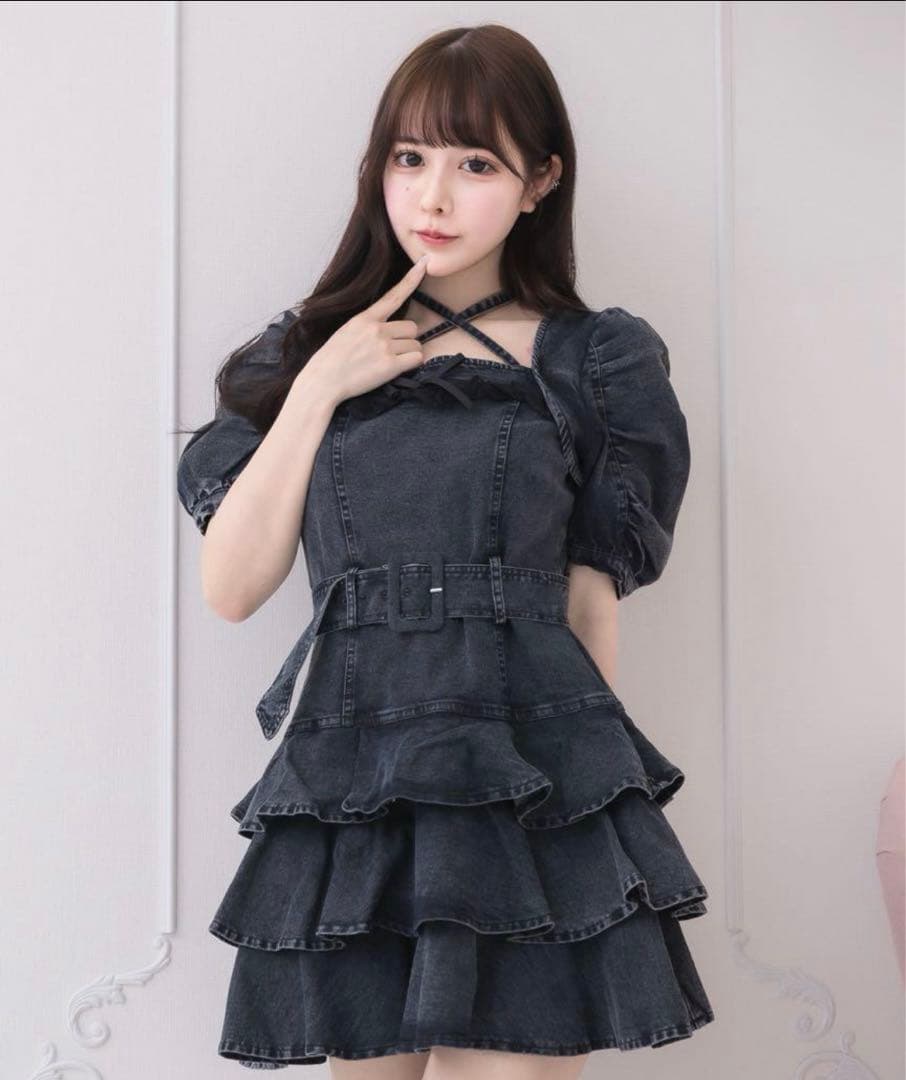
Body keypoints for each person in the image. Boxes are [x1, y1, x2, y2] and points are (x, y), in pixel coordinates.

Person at [176, 22, 714, 1079]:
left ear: (540, 181)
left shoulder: (594, 361)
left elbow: (588, 609)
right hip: (358, 783)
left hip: (530, 780)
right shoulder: (304, 353)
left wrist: (587, 823)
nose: (432, 196)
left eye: (476, 165)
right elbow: (232, 589)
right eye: (409, 157)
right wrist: (321, 386)